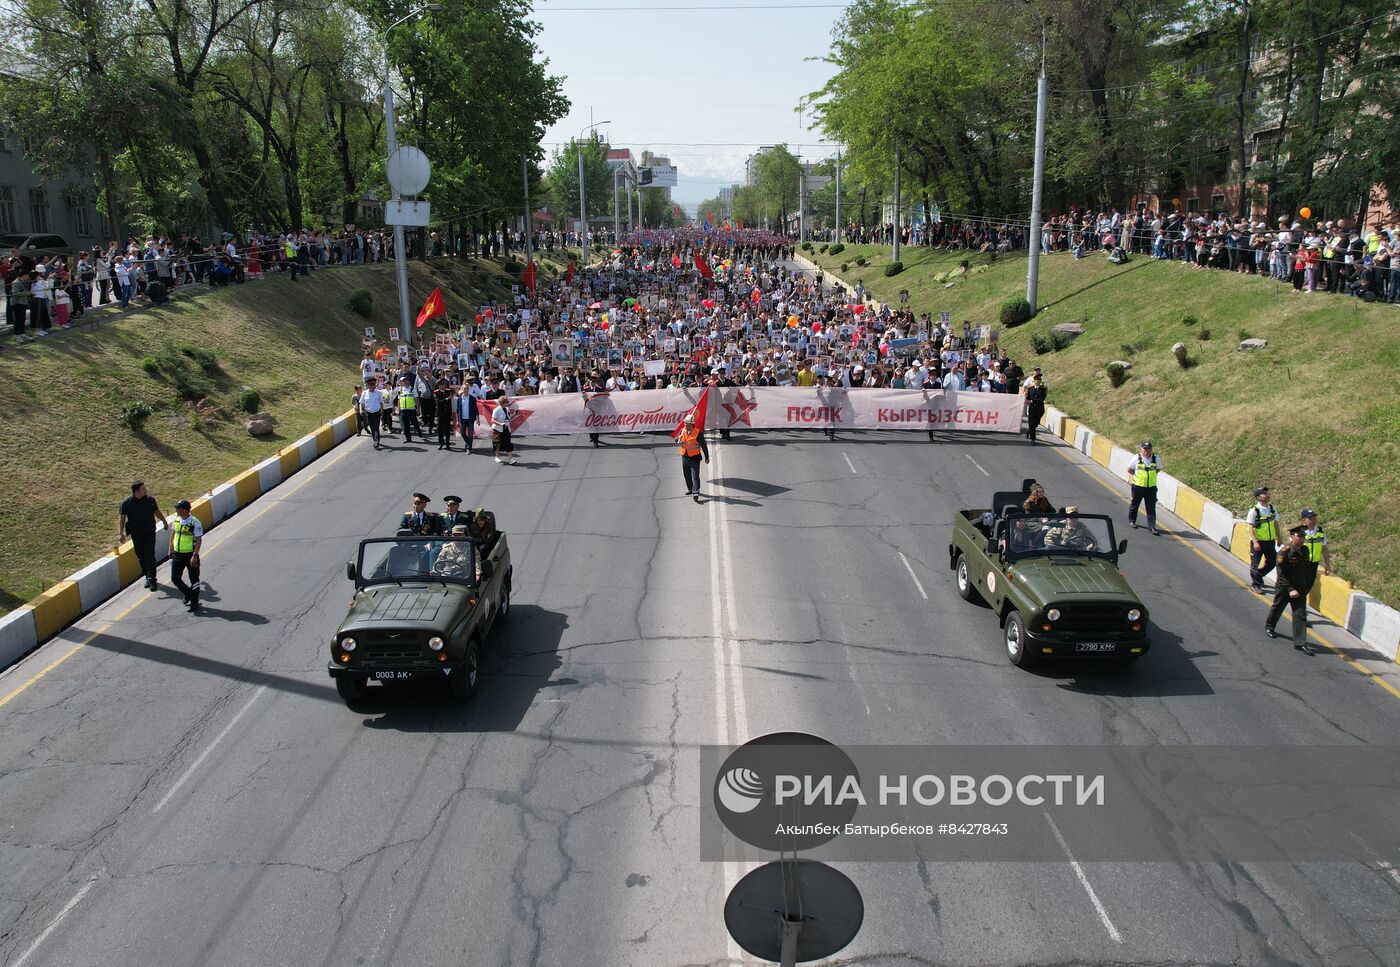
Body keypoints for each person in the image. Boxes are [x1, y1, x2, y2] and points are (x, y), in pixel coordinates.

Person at [1265, 526, 1316, 654]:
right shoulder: (1284, 552)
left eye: (1303, 536)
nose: (1302, 538)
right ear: (1292, 537)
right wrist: (1290, 589)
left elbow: (1305, 571)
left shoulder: (1305, 550)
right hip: (1284, 587)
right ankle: (1270, 626)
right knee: (1277, 607)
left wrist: (1304, 587)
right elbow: (1281, 574)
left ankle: (1300, 643)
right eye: (1299, 536)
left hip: (1299, 588)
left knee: (1300, 614)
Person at [119, 480, 166, 590]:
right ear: (137, 491)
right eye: (143, 489)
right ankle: (147, 576)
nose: (146, 490)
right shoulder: (126, 503)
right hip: (136, 534)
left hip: (149, 532)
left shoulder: (150, 500)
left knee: (150, 555)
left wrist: (163, 520)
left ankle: (153, 580)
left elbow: (156, 512)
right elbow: (122, 519)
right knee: (141, 556)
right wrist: (120, 533)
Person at [168, 498, 204, 612]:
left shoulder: (194, 522)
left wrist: (195, 555)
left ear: (184, 510)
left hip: (190, 555)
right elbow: (173, 533)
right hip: (177, 554)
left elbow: (198, 539)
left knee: (194, 579)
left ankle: (194, 602)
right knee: (175, 578)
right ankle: (188, 594)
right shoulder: (177, 520)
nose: (176, 511)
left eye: (178, 509)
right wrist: (170, 548)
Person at [1245, 486, 1280, 593]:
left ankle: (1259, 576)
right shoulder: (1254, 511)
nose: (1267, 494)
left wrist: (1279, 538)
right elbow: (1250, 527)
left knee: (1273, 562)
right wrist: (1255, 541)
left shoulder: (1273, 508)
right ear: (1258, 498)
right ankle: (1256, 585)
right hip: (1258, 542)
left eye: (1267, 492)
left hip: (1270, 541)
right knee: (1255, 564)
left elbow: (1275, 524)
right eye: (1264, 493)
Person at [1127, 440, 1161, 535]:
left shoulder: (1156, 458)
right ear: (1141, 449)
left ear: (1151, 449)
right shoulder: (1136, 458)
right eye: (1144, 449)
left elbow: (1158, 469)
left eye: (1148, 449)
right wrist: (1133, 479)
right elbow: (1129, 469)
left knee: (1151, 507)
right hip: (1138, 486)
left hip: (1151, 488)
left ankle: (1152, 527)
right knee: (1134, 504)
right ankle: (1132, 521)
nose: (1146, 451)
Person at [677, 411, 710, 502]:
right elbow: (677, 439)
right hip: (685, 456)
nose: (684, 424)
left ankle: (696, 492)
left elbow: (704, 445)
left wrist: (707, 456)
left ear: (691, 424)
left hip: (695, 458)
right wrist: (678, 440)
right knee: (686, 474)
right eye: (684, 423)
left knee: (695, 476)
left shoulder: (698, 433)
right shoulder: (682, 430)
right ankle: (690, 489)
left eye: (686, 423)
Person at [1299, 508, 1331, 576]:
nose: (1313, 520)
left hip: (1314, 564)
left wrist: (1328, 565)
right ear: (1303, 520)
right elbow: (1292, 549)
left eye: (1314, 518)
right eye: (1310, 518)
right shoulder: (1298, 532)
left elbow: (1324, 549)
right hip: (1301, 564)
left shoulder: (1321, 532)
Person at [1022, 369, 1047, 443]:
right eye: (1037, 379)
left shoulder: (1043, 389)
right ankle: (1033, 439)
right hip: (1032, 409)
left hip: (1039, 409)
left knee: (1036, 423)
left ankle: (1029, 430)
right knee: (1031, 423)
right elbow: (1028, 398)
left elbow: (1041, 399)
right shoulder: (1030, 389)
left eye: (1039, 380)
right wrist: (1026, 399)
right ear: (1034, 381)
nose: (1038, 381)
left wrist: (1032, 401)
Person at [358, 378, 384, 449]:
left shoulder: (379, 393)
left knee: (376, 427)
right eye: (371, 384)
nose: (373, 386)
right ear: (368, 385)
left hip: (376, 413)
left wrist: (382, 410)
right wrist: (361, 410)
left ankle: (376, 441)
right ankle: (375, 439)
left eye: (374, 384)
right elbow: (361, 403)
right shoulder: (364, 393)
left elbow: (381, 402)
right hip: (368, 413)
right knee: (372, 427)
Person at [491, 396, 518, 464]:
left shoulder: (507, 409)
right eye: (507, 402)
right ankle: (497, 457)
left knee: (508, 443)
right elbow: (493, 420)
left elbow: (509, 419)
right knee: (497, 443)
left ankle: (510, 459)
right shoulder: (496, 410)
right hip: (498, 429)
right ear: (502, 403)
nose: (508, 403)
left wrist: (515, 414)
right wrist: (500, 423)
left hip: (506, 429)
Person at [395, 376, 421, 443]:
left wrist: (418, 408)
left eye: (406, 380)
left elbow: (416, 399)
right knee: (406, 425)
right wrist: (398, 409)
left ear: (409, 382)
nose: (405, 382)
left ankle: (418, 429)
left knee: (414, 422)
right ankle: (408, 439)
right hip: (403, 409)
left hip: (411, 409)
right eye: (404, 381)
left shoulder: (412, 389)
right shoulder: (400, 390)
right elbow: (399, 400)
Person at [434, 377, 454, 450]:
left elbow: (454, 391)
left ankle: (447, 443)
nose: (443, 386)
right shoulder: (436, 392)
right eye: (441, 384)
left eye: (443, 384)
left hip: (447, 412)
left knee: (447, 428)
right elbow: (438, 402)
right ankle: (441, 443)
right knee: (440, 428)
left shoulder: (448, 391)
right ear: (438, 385)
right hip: (440, 413)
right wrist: (447, 399)